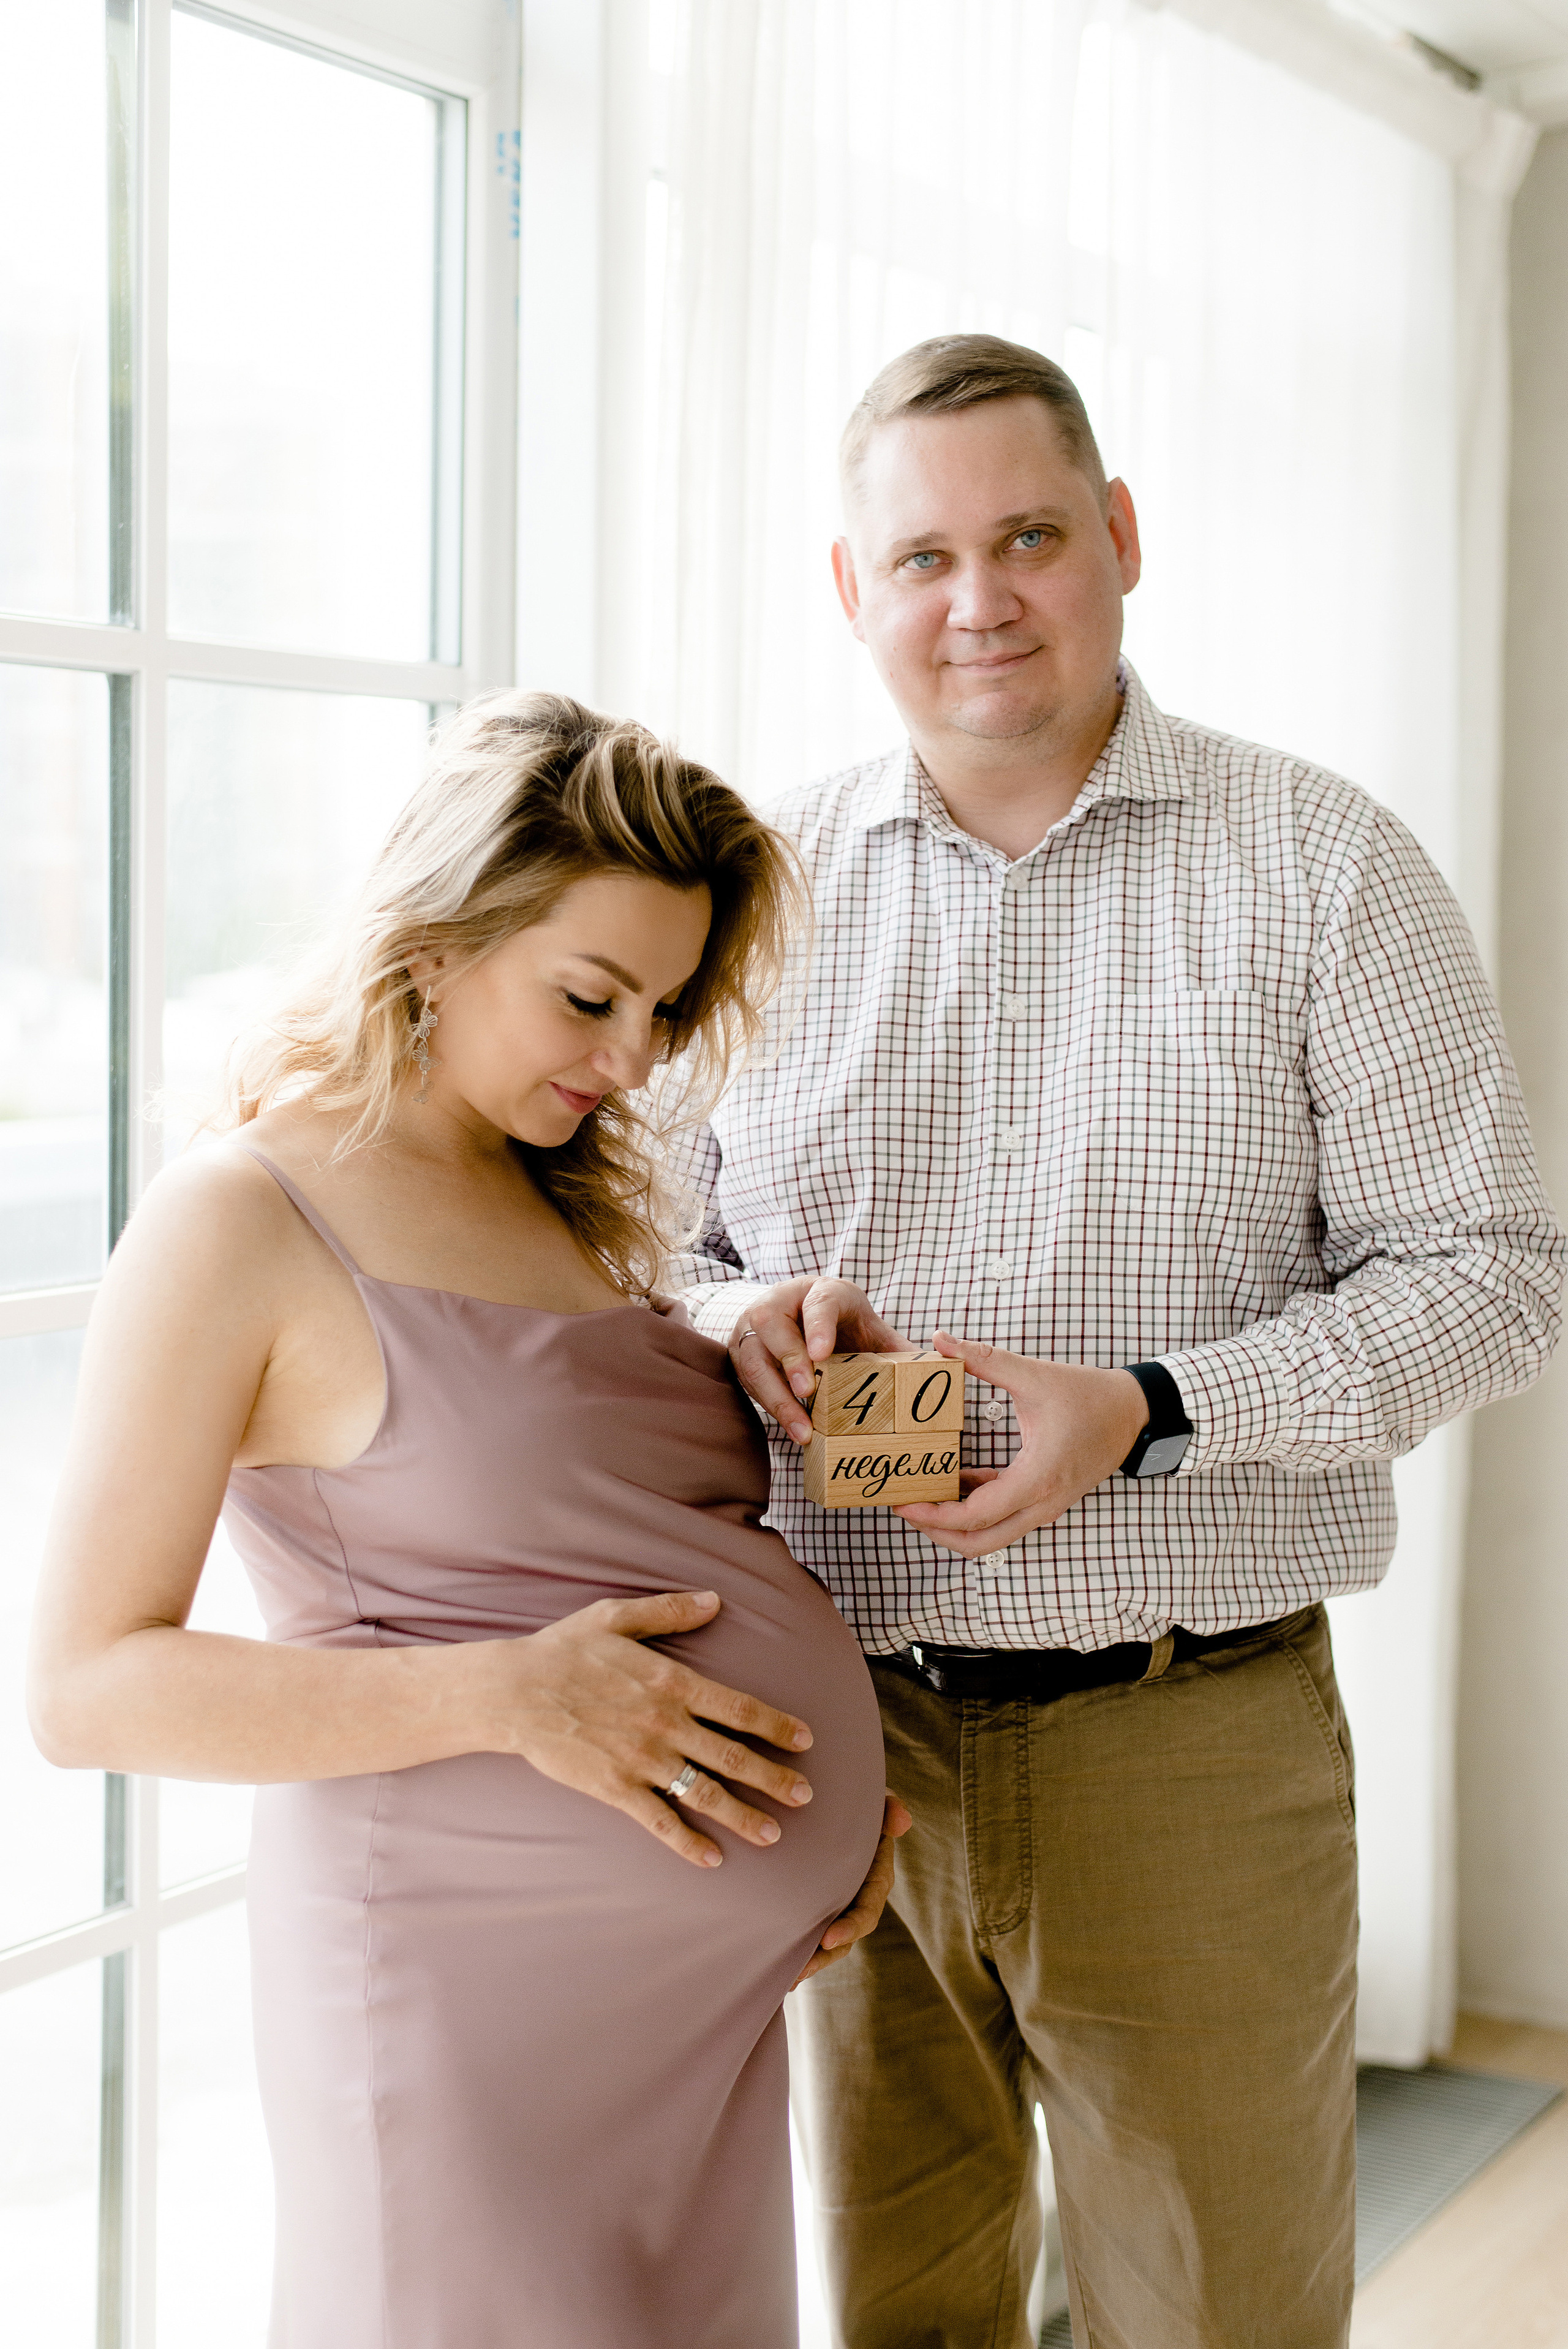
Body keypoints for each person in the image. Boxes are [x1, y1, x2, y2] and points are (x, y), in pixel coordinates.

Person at [668, 335, 1566, 2349]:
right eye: (921, 557)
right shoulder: (752, 902)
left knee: (1219, 2315)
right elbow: (626, 1255)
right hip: (843, 1738)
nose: (978, 598)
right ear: (850, 590)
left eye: (1030, 537)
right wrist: (740, 1313)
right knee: (900, 2312)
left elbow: (1499, 1270)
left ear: (1123, 541)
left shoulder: (1326, 867)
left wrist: (1150, 1411)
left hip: (1196, 1740)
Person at [28, 694, 904, 2349]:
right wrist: (512, 1694)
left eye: (664, 1005)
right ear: (438, 939)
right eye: (592, 995)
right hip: (464, 1995)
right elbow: (85, 1687)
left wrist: (810, 1812)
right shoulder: (238, 1217)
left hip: (687, 2029)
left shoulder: (553, 1190)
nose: (636, 1055)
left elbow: (569, 1483)